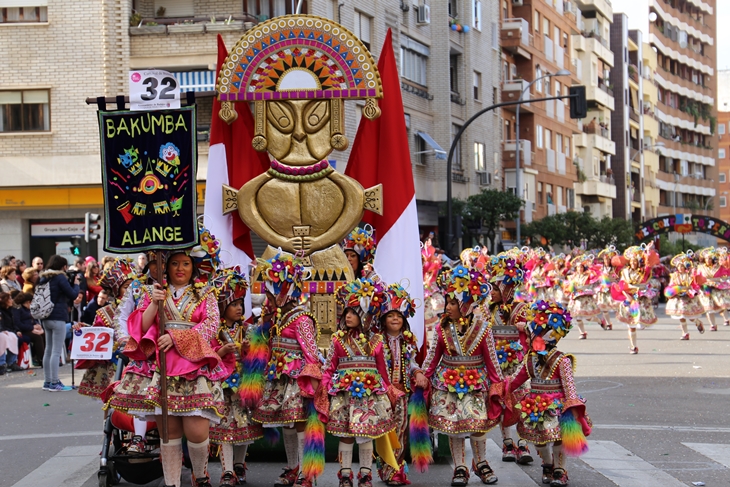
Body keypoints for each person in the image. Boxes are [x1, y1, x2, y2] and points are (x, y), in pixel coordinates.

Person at [134, 249, 227, 487]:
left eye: (186, 263)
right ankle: (172, 483)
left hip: (194, 367)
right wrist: (155, 303)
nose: (180, 268)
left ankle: (201, 477)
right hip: (163, 366)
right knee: (169, 431)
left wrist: (177, 338)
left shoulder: (207, 294)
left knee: (197, 431)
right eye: (174, 263)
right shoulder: (153, 292)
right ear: (165, 266)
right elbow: (143, 326)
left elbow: (211, 326)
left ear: (194, 266)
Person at [422, 263, 504, 486]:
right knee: (453, 427)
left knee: (477, 424)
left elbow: (492, 360)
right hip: (447, 384)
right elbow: (432, 357)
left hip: (475, 383)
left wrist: (498, 385)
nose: (447, 306)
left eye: (452, 302)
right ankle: (460, 467)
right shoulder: (441, 328)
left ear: (465, 304)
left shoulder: (483, 328)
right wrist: (423, 375)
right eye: (447, 302)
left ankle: (481, 463)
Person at [321, 278, 403, 487]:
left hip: (370, 395)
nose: (347, 316)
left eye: (353, 312)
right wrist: (324, 390)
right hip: (344, 395)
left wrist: (389, 394)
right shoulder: (337, 339)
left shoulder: (376, 340)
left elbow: (383, 371)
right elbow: (329, 368)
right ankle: (345, 475)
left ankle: (366, 475)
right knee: (346, 435)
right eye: (346, 312)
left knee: (367, 435)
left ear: (364, 316)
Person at [252, 252, 323, 487]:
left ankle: (305, 472)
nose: (268, 298)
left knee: (299, 421)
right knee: (287, 423)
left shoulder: (301, 318)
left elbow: (311, 352)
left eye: (272, 293)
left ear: (284, 292)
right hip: (279, 376)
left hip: (296, 378)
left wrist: (312, 381)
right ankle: (293, 467)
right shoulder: (278, 317)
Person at [507, 300, 592, 487]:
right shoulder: (530, 360)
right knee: (539, 442)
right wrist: (500, 390)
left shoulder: (562, 360)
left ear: (543, 338)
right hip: (535, 406)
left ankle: (560, 470)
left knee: (558, 439)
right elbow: (515, 380)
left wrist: (572, 408)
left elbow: (570, 387)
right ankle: (547, 464)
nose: (527, 341)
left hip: (557, 407)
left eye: (530, 337)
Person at [210, 267, 264, 487]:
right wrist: (221, 352)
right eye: (234, 304)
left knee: (243, 426)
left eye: (241, 304)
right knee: (225, 428)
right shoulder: (213, 331)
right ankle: (227, 471)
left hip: (243, 386)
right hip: (222, 387)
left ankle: (239, 465)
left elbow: (260, 357)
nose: (239, 308)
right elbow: (206, 354)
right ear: (222, 307)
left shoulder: (250, 330)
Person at [374, 282, 426, 486]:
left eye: (398, 315)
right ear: (383, 319)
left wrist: (419, 372)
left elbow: (411, 363)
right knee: (385, 431)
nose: (395, 318)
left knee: (401, 430)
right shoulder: (376, 340)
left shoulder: (407, 340)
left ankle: (396, 470)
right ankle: (386, 469)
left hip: (402, 392)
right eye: (390, 315)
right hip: (382, 392)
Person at [487, 253, 533, 464]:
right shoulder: (486, 311)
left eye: (496, 289)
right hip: (496, 362)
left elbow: (535, 331)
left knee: (522, 401)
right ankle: (507, 443)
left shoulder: (522, 309)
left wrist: (522, 327)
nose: (492, 293)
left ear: (506, 289)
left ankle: (523, 443)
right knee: (502, 400)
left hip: (518, 362)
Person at [76, 259, 138, 401]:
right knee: (111, 401)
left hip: (139, 365)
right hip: (114, 366)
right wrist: (83, 330)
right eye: (126, 287)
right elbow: (96, 335)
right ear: (116, 291)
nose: (132, 291)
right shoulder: (105, 313)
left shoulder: (144, 309)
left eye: (134, 286)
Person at [39, 255, 81, 391]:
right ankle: (55, 382)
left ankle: (47, 381)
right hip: (58, 317)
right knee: (56, 351)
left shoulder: (43, 278)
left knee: (48, 349)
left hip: (45, 317)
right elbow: (73, 294)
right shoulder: (60, 278)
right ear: (62, 266)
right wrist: (76, 284)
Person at [611, 244, 660, 354]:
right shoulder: (625, 272)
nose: (633, 263)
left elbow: (648, 266)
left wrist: (647, 252)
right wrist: (626, 295)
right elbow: (622, 284)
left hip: (640, 299)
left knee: (640, 323)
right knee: (631, 325)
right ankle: (633, 346)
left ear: (638, 262)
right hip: (629, 299)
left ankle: (641, 324)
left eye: (635, 261)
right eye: (631, 261)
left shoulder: (643, 271)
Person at [665, 251, 705, 340]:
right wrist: (674, 291)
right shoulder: (675, 275)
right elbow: (671, 285)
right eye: (679, 266)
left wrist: (691, 289)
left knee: (690, 317)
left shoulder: (690, 274)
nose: (680, 268)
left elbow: (696, 283)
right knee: (681, 315)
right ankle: (685, 333)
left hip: (688, 296)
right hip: (679, 297)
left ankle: (697, 322)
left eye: (682, 266)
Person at [563, 255, 601, 340]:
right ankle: (582, 333)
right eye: (578, 267)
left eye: (581, 267)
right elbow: (567, 282)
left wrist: (591, 266)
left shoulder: (588, 275)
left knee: (588, 318)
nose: (579, 269)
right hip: (576, 297)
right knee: (577, 316)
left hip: (585, 297)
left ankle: (599, 321)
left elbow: (597, 275)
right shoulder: (573, 276)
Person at [695, 247, 730, 331]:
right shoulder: (700, 267)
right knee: (708, 308)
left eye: (710, 258)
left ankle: (726, 319)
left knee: (722, 304)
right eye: (707, 258)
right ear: (704, 259)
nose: (708, 260)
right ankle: (712, 325)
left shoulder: (719, 267)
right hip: (705, 288)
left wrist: (719, 280)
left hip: (717, 288)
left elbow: (725, 275)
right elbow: (697, 279)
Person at [12, 292, 45, 367]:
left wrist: (37, 325)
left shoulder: (29, 309)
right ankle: (42, 359)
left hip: (32, 328)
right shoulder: (18, 309)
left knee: (45, 335)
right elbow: (18, 323)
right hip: (23, 330)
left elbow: (34, 318)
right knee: (37, 338)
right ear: (28, 302)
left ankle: (44, 356)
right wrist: (32, 328)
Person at [596, 246, 621, 330]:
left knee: (616, 305)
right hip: (603, 289)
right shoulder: (600, 268)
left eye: (608, 259)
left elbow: (618, 276)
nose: (606, 261)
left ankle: (623, 317)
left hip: (613, 288)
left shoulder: (615, 268)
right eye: (605, 259)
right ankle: (608, 323)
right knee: (604, 307)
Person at [0, 292, 22, 373]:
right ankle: (1, 364)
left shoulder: (9, 311)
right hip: (2, 331)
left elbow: (13, 324)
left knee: (13, 336)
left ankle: (11, 362)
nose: (12, 300)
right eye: (9, 299)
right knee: (2, 337)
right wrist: (2, 330)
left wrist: (17, 330)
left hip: (7, 330)